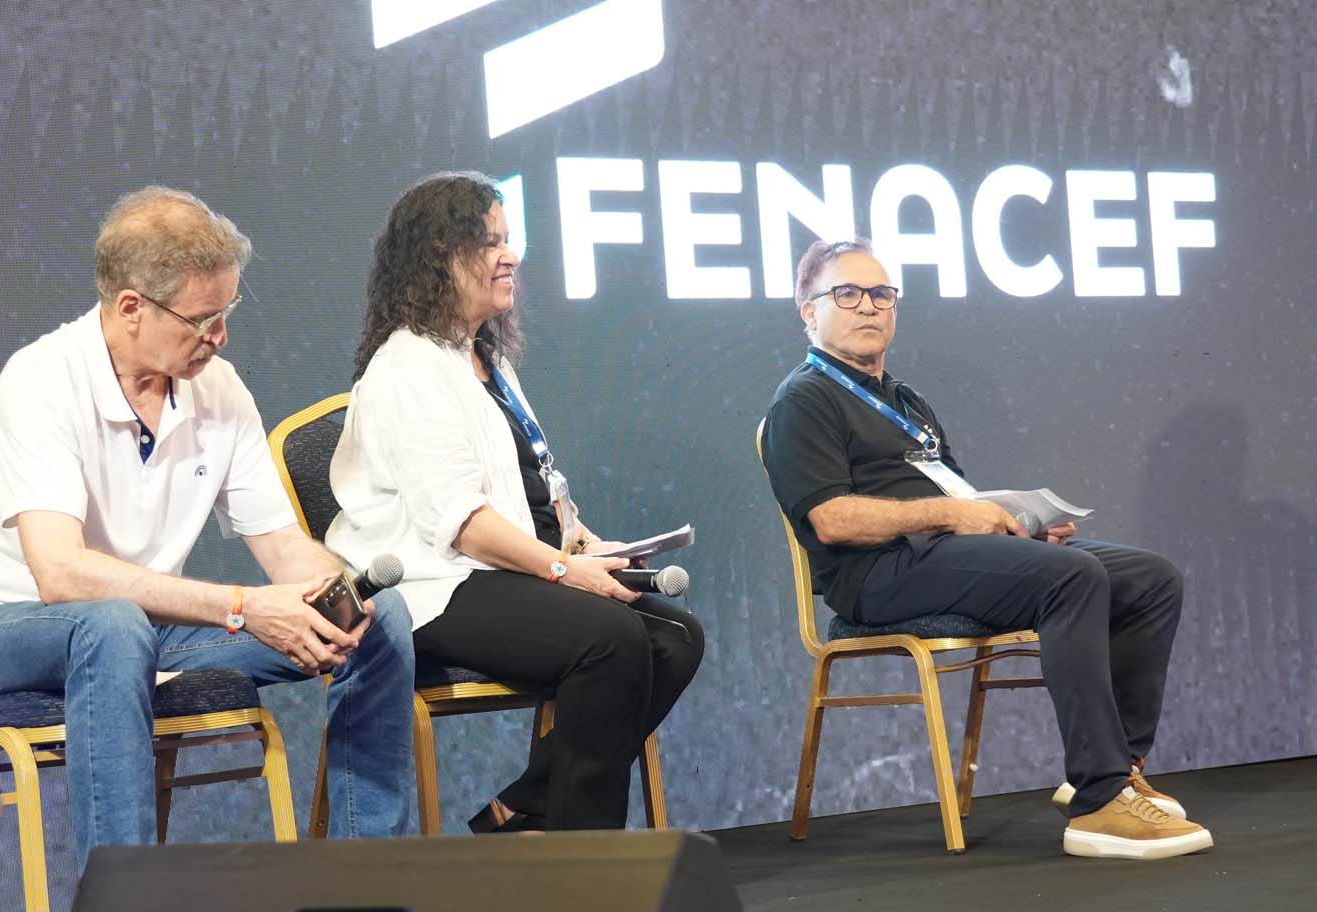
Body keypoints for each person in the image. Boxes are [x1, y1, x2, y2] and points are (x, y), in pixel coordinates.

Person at [0, 186, 415, 869]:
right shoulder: (41, 381)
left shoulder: (220, 390)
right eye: (203, 319)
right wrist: (243, 607)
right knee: (111, 626)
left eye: (227, 313)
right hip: (0, 628)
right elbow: (60, 574)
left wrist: (336, 592)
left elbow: (283, 547)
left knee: (378, 617)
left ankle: (367, 880)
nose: (220, 337)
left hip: (147, 628)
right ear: (132, 307)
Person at [760, 237, 1212, 860]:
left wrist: (1022, 526)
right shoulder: (803, 400)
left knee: (1149, 577)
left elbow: (960, 496)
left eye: (882, 294)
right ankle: (1099, 801)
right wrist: (954, 514)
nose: (868, 305)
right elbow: (832, 520)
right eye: (847, 293)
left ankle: (1121, 765)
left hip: (944, 554)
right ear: (808, 310)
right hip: (876, 575)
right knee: (1071, 577)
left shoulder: (907, 401)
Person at [327, 171, 704, 832]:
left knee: (676, 640)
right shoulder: (407, 368)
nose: (511, 257)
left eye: (509, 240)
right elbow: (463, 525)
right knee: (610, 638)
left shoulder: (487, 362)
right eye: (490, 242)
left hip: (502, 571)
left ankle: (525, 808)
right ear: (439, 257)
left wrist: (587, 545)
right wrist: (563, 571)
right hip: (433, 586)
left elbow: (533, 489)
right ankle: (580, 853)